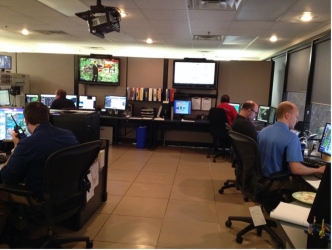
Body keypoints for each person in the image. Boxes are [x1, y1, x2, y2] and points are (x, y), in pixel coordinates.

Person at [0, 102, 79, 236]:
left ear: (26, 120)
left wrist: (16, 149)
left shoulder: (27, 144)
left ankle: (9, 234)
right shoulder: (68, 135)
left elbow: (7, 178)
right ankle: (19, 227)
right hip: (69, 194)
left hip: (40, 199)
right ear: (47, 117)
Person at [257, 101, 325, 192]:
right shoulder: (291, 138)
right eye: (296, 116)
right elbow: (296, 169)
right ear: (287, 115)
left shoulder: (263, 131)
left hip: (259, 180)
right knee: (313, 188)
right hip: (275, 183)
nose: (297, 120)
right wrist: (319, 170)